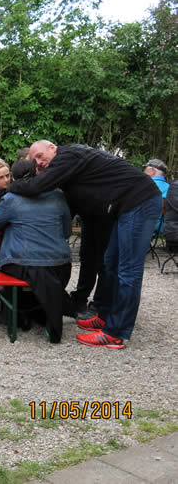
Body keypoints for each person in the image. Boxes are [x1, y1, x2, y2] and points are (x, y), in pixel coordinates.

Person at [9, 140, 161, 349]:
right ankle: (104, 317)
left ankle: (116, 333)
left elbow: (37, 186)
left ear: (52, 148)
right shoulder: (68, 167)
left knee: (128, 271)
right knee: (110, 264)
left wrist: (12, 185)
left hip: (139, 201)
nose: (39, 162)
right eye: (35, 160)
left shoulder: (67, 156)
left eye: (40, 156)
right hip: (125, 208)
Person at [0, 159, 73, 342]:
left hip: (21, 262)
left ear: (13, 178)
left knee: (12, 267)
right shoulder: (58, 196)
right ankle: (40, 312)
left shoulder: (11, 200)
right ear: (37, 173)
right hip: (59, 263)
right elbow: (67, 231)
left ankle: (20, 314)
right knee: (41, 274)